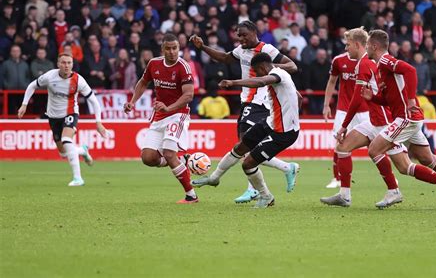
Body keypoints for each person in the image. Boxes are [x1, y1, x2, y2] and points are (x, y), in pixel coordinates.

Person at [189, 20, 300, 203]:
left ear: (254, 32)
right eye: (238, 35)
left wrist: (271, 70)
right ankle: (284, 170)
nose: (241, 39)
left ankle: (256, 190)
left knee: (247, 151)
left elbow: (291, 67)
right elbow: (225, 58)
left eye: (244, 35)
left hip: (259, 102)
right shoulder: (241, 50)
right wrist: (203, 48)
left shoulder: (268, 50)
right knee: (244, 147)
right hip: (250, 101)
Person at [362, 30, 436, 208]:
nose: (366, 48)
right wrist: (372, 97)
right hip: (409, 117)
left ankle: (393, 191)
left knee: (374, 149)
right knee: (427, 159)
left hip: (406, 118)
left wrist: (412, 98)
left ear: (374, 46)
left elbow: (411, 70)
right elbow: (390, 100)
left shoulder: (385, 60)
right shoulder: (381, 68)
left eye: (367, 45)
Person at [320, 28, 402, 208]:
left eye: (348, 45)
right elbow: (334, 83)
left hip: (380, 118)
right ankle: (344, 194)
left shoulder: (365, 64)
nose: (346, 48)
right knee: (342, 147)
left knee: (408, 165)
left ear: (358, 44)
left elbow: (358, 98)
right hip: (370, 117)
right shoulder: (350, 61)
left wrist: (344, 125)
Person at [123, 33, 198, 204]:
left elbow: (189, 95)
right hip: (159, 116)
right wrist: (132, 102)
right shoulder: (153, 64)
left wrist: (169, 108)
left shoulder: (183, 67)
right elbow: (143, 82)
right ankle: (182, 161)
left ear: (179, 48)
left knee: (170, 153)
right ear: (162, 49)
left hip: (178, 114)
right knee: (148, 158)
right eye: (168, 48)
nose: (172, 52)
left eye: (175, 48)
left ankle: (191, 195)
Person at [18, 53, 108, 186]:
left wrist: (99, 123)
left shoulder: (78, 80)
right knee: (63, 153)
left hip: (70, 113)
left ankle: (78, 178)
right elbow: (32, 85)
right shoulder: (49, 76)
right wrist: (24, 104)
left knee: (67, 140)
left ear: (72, 64)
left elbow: (94, 101)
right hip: (53, 117)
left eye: (69, 63)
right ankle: (82, 150)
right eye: (63, 63)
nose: (66, 66)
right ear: (58, 64)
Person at [322, 49, 369, 189]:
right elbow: (331, 82)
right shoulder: (339, 60)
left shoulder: (369, 61)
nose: (347, 47)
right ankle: (336, 178)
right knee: (339, 141)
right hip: (344, 109)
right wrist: (326, 105)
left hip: (365, 110)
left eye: (349, 44)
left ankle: (390, 179)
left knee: (376, 143)